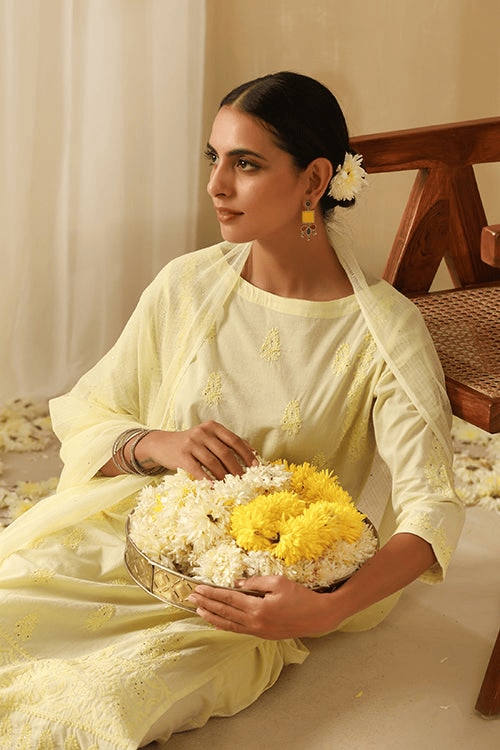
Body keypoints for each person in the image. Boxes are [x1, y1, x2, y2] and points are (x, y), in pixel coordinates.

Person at [0, 72, 464, 748]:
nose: (217, 184)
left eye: (245, 164)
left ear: (314, 181)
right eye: (213, 158)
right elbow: (91, 408)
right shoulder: (187, 285)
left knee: (96, 704)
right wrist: (156, 443)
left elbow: (433, 506)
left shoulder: (383, 333)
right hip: (130, 540)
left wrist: (323, 609)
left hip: (239, 602)